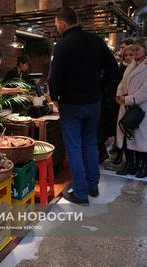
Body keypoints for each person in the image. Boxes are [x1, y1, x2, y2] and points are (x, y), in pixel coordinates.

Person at [49, 7, 119, 203]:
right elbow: (114, 70)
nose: (56, 28)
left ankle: (80, 192)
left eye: (56, 24)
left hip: (71, 104)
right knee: (90, 143)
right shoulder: (96, 41)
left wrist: (55, 98)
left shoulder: (63, 45)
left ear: (62, 23)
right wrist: (100, 88)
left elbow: (54, 78)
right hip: (93, 104)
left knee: (74, 147)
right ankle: (92, 185)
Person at [115, 37, 147, 178]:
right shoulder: (132, 65)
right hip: (127, 105)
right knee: (127, 135)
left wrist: (129, 99)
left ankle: (144, 167)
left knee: (140, 136)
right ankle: (130, 165)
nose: (134, 52)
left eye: (137, 49)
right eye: (133, 49)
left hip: (142, 107)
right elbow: (123, 83)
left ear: (146, 49)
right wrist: (119, 95)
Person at [111, 45, 135, 165]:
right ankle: (119, 154)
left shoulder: (137, 67)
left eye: (131, 55)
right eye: (126, 55)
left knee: (130, 131)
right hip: (119, 102)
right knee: (119, 130)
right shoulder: (120, 67)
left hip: (132, 103)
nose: (128, 57)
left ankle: (129, 158)